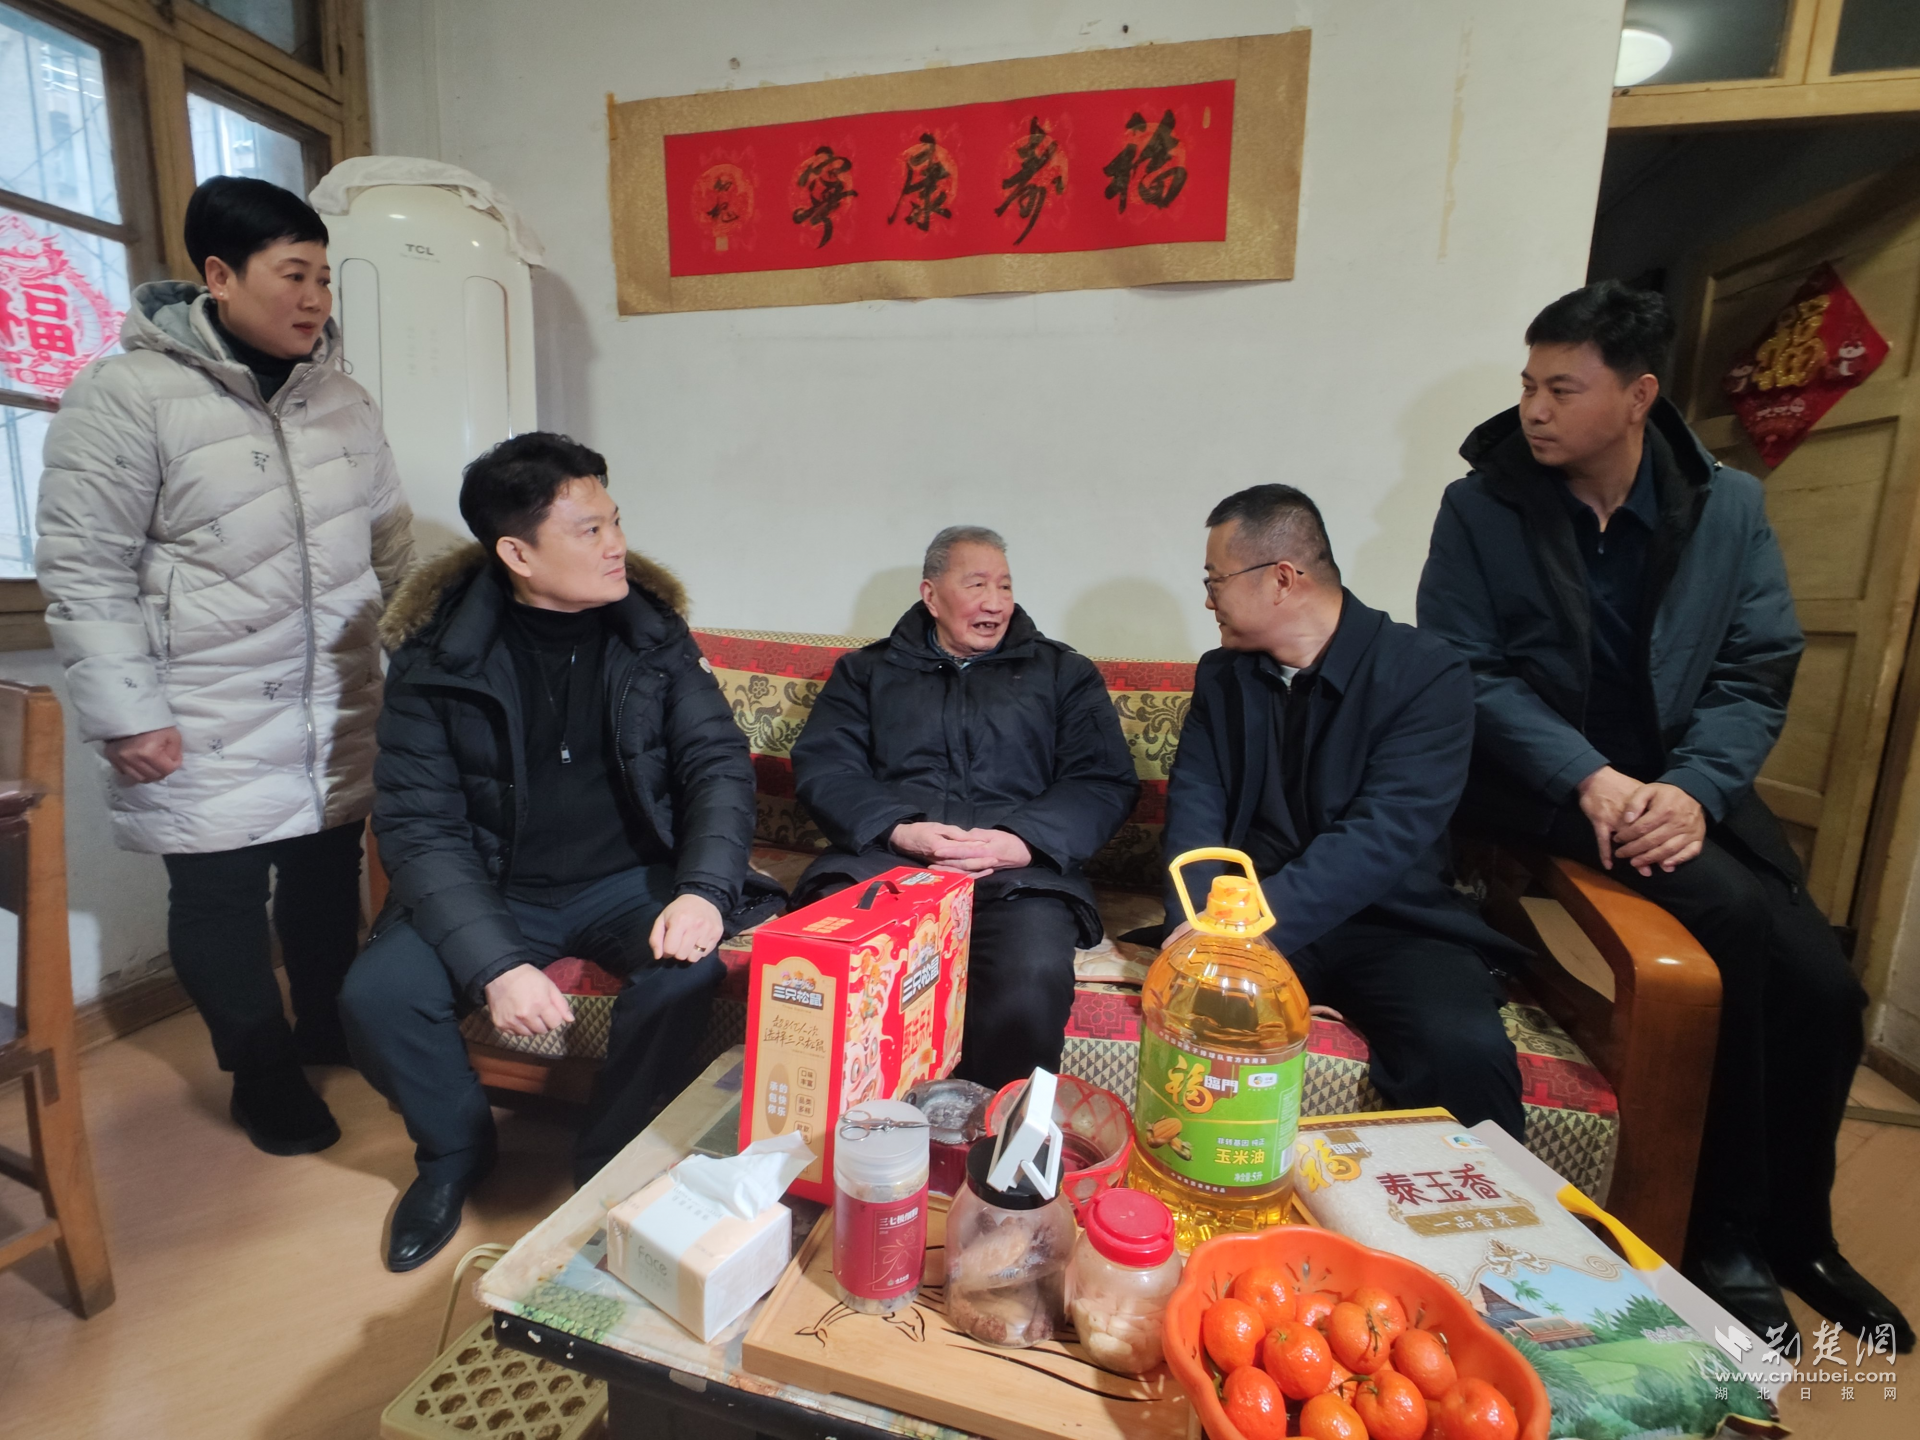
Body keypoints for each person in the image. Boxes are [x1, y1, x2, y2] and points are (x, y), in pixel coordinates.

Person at [1417, 279, 1910, 1352]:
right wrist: (1587, 775)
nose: (1534, 409)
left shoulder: (1725, 506)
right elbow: (1466, 669)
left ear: (1638, 396)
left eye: (1563, 388)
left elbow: (1755, 668)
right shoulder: (1483, 505)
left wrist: (1693, 788)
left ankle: (1802, 1234)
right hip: (1543, 781)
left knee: (1827, 988)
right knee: (1728, 921)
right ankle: (1718, 1230)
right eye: (1529, 383)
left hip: (1684, 783)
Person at [35, 176, 414, 1157]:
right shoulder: (126, 395)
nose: (314, 298)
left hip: (334, 697)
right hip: (198, 704)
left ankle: (328, 1024)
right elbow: (84, 567)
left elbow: (392, 545)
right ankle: (262, 1071)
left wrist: (427, 657)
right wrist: (127, 712)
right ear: (219, 275)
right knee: (221, 899)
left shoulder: (343, 400)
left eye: (324, 278)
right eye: (293, 274)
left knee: (327, 878)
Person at [340, 432, 757, 1271]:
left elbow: (716, 763)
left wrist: (704, 890)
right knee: (377, 994)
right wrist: (496, 963)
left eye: (615, 522)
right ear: (518, 553)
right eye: (589, 531)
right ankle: (453, 1154)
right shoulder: (436, 658)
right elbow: (418, 825)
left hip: (627, 879)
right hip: (494, 885)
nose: (617, 546)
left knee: (686, 974)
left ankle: (609, 1161)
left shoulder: (652, 633)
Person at [1160, 485, 1527, 1140]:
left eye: (1216, 580)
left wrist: (1255, 925)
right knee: (1200, 1026)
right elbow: (1196, 807)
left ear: (1281, 579)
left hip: (1395, 925)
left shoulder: (1426, 672)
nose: (1209, 599)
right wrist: (1201, 927)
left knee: (1463, 1052)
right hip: (1242, 921)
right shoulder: (1223, 677)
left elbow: (1386, 832)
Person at [789, 526, 1138, 1089]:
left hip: (1018, 873)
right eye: (977, 585)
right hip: (890, 862)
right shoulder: (866, 672)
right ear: (931, 596)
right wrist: (900, 829)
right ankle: (850, 1131)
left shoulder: (1063, 674)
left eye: (1005, 586)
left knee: (1030, 975)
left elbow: (1101, 779)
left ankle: (998, 1132)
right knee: (832, 951)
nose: (995, 602)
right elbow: (827, 767)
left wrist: (1022, 840)